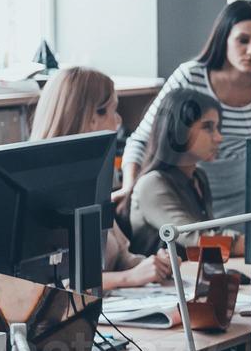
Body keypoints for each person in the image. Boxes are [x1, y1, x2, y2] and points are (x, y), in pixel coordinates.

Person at [119, 0, 251, 218]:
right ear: (224, 39)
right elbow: (141, 139)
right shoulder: (190, 76)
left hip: (247, 195)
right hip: (190, 192)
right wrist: (129, 187)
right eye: (243, 40)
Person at [30, 67, 171, 291]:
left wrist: (155, 265)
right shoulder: (42, 192)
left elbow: (123, 257)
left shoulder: (90, 181)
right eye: (113, 110)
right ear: (90, 118)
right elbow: (56, 282)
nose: (118, 121)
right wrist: (130, 277)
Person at [128, 89, 237, 256]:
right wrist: (242, 244)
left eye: (217, 128)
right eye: (208, 127)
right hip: (161, 281)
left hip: (189, 275)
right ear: (179, 131)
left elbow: (210, 233)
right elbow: (198, 241)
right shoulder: (151, 183)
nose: (218, 137)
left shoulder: (198, 177)